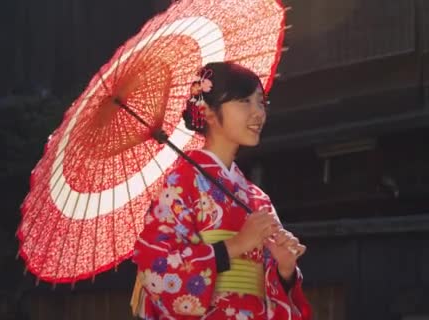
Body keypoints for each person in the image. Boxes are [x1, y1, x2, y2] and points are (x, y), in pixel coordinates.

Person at [131, 62, 311, 320]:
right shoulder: (182, 182)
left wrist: (284, 269)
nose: (257, 112)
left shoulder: (258, 198)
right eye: (244, 101)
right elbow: (157, 267)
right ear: (209, 113)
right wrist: (237, 245)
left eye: (261, 102)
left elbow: (270, 287)